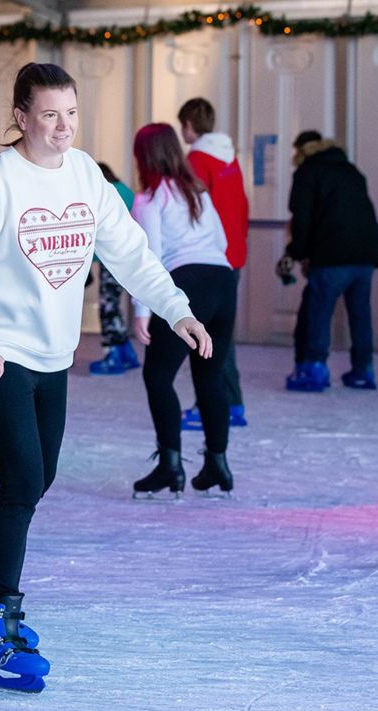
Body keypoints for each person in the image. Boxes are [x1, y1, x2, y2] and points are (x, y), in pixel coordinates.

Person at [0, 62, 212, 694]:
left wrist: (177, 309)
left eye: (71, 114)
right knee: (23, 479)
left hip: (54, 355)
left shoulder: (86, 173)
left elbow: (130, 252)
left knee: (40, 478)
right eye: (49, 115)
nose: (62, 128)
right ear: (21, 117)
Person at [128, 124, 237, 499]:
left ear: (143, 157)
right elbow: (222, 242)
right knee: (210, 376)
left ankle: (170, 466)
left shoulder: (150, 199)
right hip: (223, 282)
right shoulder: (198, 192)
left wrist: (142, 311)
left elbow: (149, 259)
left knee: (158, 376)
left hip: (185, 283)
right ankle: (218, 463)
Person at [284, 130, 378, 392]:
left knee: (319, 311)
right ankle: (364, 370)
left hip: (331, 254)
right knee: (360, 313)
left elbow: (302, 218)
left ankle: (314, 369)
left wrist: (295, 252)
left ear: (302, 151)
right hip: (364, 254)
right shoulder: (351, 170)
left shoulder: (308, 172)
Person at [178, 98, 250, 427]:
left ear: (190, 124)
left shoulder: (196, 159)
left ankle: (220, 405)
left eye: (184, 125)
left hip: (209, 256)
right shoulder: (229, 158)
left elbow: (191, 208)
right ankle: (229, 402)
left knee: (209, 335)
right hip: (233, 253)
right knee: (221, 332)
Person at [86, 163, 141, 375]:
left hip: (113, 258)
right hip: (128, 256)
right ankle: (127, 353)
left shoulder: (105, 193)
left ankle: (113, 356)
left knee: (108, 307)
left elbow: (100, 229)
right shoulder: (125, 191)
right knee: (114, 305)